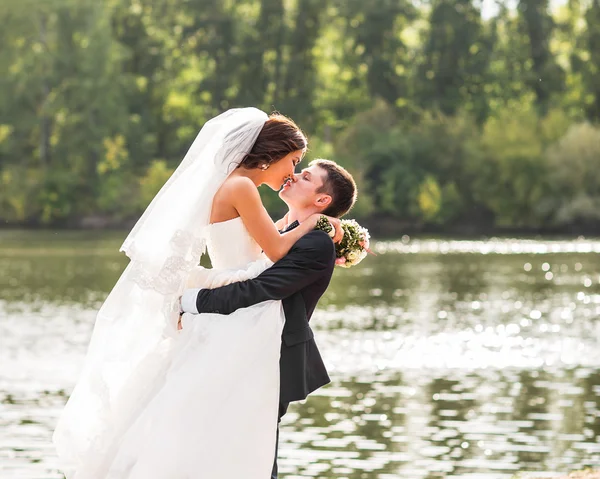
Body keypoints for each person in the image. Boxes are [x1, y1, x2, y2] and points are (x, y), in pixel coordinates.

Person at [52, 107, 352, 479]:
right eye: (292, 162)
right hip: (240, 316)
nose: (291, 173)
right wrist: (313, 223)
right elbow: (273, 252)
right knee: (223, 424)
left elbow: (260, 247)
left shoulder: (233, 184)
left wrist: (302, 228)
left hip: (230, 304)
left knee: (199, 416)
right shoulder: (242, 186)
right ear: (271, 154)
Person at [179, 157, 358, 478]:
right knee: (233, 453)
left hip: (272, 358)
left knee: (254, 459)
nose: (293, 176)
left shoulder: (316, 242)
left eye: (305, 176)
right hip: (245, 348)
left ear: (322, 201)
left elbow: (262, 288)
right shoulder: (285, 230)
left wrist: (192, 300)